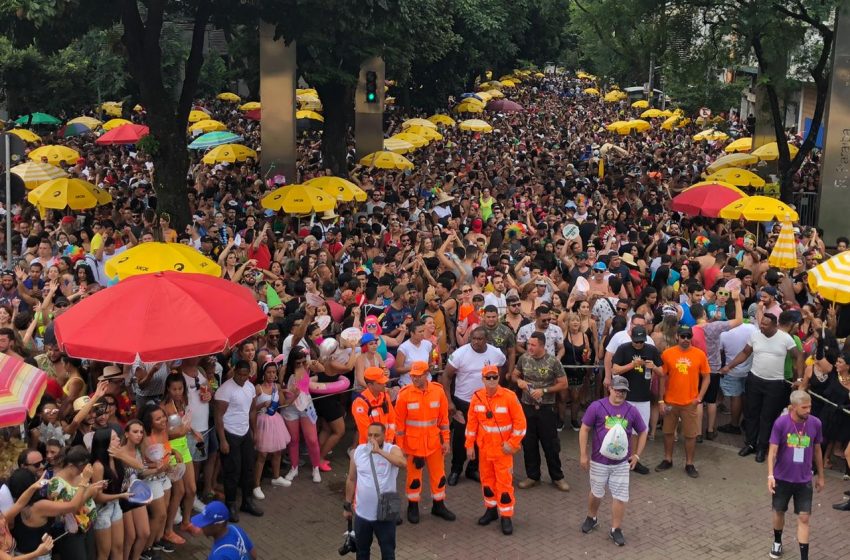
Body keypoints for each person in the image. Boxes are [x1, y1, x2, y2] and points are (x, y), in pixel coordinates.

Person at [723, 312, 804, 463]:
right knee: (751, 414)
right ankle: (750, 444)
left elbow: (798, 356)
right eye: (761, 323)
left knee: (767, 417)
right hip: (755, 380)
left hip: (775, 384)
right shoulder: (755, 336)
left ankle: (762, 448)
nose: (762, 326)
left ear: (774, 325)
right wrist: (729, 366)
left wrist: (799, 378)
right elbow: (745, 352)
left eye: (765, 324)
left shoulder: (785, 338)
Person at [578, 375, 648, 547]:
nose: (620, 394)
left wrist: (637, 455)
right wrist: (583, 454)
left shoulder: (631, 410)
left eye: (624, 391)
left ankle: (616, 529)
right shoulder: (596, 406)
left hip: (621, 464)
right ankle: (591, 517)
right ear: (610, 388)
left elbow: (643, 431)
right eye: (617, 390)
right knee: (596, 492)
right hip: (599, 461)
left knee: (620, 496)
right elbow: (585, 429)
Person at [465, 365, 526, 536]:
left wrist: (512, 444)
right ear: (483, 379)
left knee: (504, 484)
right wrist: (469, 445)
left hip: (503, 452)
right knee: (487, 482)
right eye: (488, 378)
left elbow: (520, 424)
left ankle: (506, 516)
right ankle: (491, 510)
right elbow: (471, 424)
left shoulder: (509, 397)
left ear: (498, 378)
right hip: (484, 450)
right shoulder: (476, 397)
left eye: (495, 377)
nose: (492, 381)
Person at [442, 327, 506, 486]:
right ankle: (456, 469)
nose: (476, 342)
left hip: (485, 403)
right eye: (473, 339)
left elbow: (501, 369)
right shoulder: (460, 354)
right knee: (460, 438)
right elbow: (446, 376)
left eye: (480, 339)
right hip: (463, 402)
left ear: (487, 339)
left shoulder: (495, 353)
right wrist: (449, 401)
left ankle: (473, 468)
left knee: (481, 438)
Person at [393, 361, 455, 524]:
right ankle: (413, 506)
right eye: (412, 375)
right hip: (413, 446)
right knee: (413, 478)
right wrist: (400, 447)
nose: (414, 378)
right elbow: (399, 424)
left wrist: (446, 440)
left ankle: (439, 505)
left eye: (418, 376)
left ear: (426, 375)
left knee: (439, 476)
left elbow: (443, 420)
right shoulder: (404, 394)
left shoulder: (438, 392)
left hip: (434, 444)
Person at [766, 391, 824, 560]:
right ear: (793, 407)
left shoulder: (815, 423)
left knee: (804, 517)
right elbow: (772, 451)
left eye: (810, 407)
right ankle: (777, 541)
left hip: (804, 479)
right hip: (782, 478)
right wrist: (771, 475)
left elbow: (818, 450)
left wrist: (820, 476)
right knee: (778, 511)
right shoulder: (781, 423)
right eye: (804, 407)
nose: (808, 410)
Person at [512, 332, 570, 491]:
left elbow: (564, 384)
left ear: (542, 346)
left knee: (550, 444)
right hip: (527, 408)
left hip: (546, 409)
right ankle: (532, 476)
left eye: (533, 345)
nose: (529, 347)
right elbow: (513, 375)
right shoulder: (524, 359)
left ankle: (557, 477)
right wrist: (519, 382)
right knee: (529, 444)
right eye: (528, 344)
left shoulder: (553, 361)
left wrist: (544, 390)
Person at [343, 422, 406, 560]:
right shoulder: (358, 452)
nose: (372, 438)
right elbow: (351, 479)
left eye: (376, 435)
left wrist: (379, 452)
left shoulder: (391, 449)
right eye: (370, 435)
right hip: (362, 514)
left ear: (384, 435)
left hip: (385, 512)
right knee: (362, 552)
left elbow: (403, 463)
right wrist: (347, 506)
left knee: (388, 552)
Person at [656, 325, 710, 478]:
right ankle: (668, 459)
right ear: (677, 337)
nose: (686, 339)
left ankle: (689, 463)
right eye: (683, 336)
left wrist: (699, 397)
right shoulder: (667, 354)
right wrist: (661, 400)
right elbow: (662, 377)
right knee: (667, 432)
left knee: (690, 435)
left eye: (688, 336)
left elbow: (707, 377)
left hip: (689, 403)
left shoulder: (699, 354)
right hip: (670, 402)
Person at [214, 360, 263, 521]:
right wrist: (223, 440)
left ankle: (247, 501)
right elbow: (218, 416)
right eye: (240, 374)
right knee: (232, 471)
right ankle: (230, 503)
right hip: (230, 432)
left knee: (248, 468)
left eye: (245, 375)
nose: (242, 378)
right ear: (234, 372)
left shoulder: (250, 387)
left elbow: (252, 410)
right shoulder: (225, 390)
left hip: (245, 432)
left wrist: (254, 431)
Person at [610, 325, 661, 475]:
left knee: (640, 430)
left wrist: (654, 367)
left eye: (641, 342)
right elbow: (615, 369)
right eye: (636, 341)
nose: (639, 344)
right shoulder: (623, 348)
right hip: (626, 397)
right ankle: (619, 458)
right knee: (622, 429)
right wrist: (632, 364)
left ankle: (634, 459)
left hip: (644, 397)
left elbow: (663, 372)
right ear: (631, 337)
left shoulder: (651, 350)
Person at [191, 501, 256, 559]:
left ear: (218, 525)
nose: (201, 526)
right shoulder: (235, 529)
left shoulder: (220, 556)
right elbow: (253, 554)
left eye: (206, 523)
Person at [352, 367, 397, 445]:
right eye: (380, 383)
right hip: (370, 447)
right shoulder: (360, 403)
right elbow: (365, 431)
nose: (384, 384)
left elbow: (392, 420)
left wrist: (389, 440)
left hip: (387, 443)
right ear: (370, 385)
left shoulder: (385, 397)